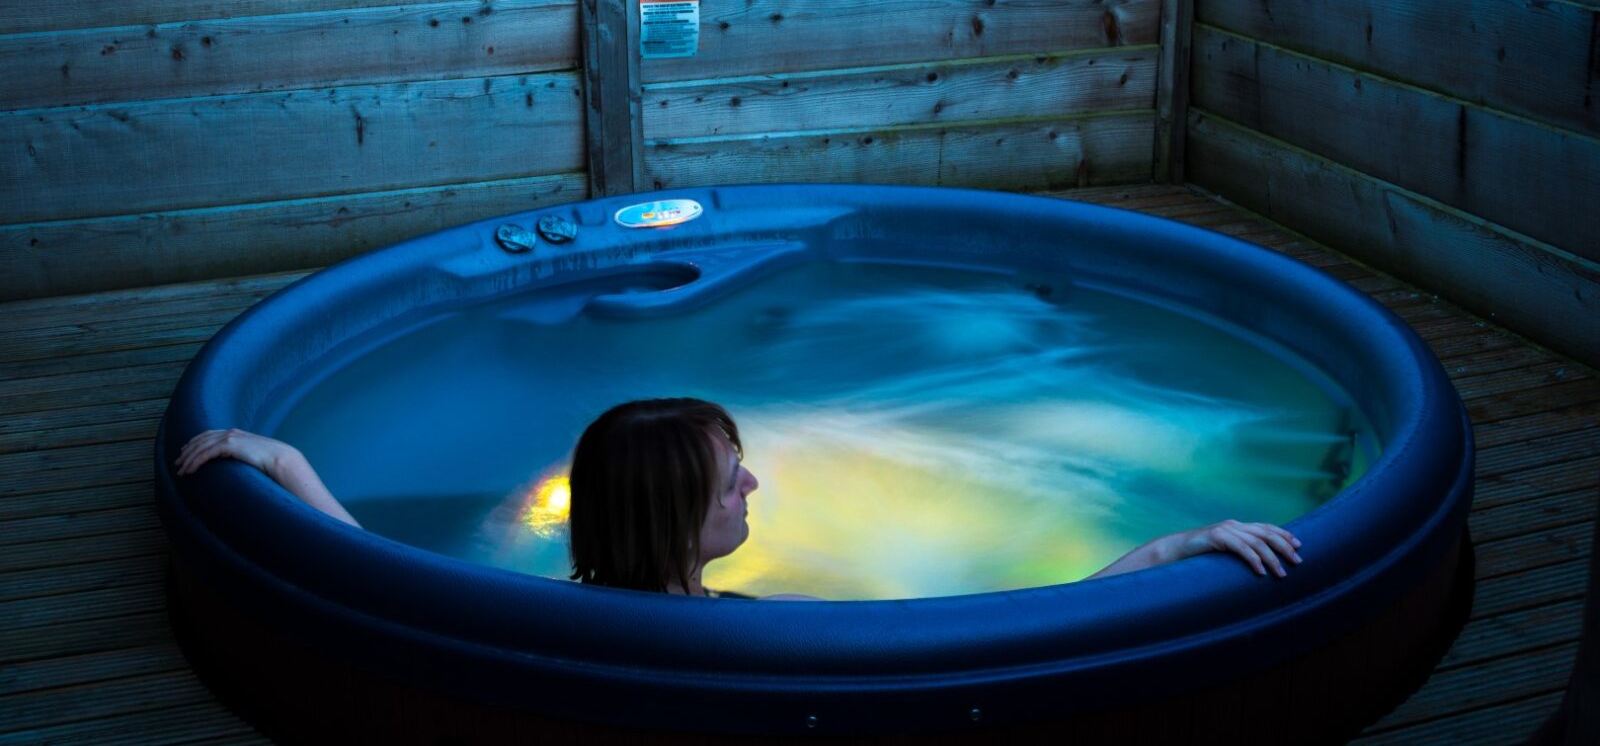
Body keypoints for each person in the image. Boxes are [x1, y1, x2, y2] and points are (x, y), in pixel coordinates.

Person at [175, 397, 1303, 597]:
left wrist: (275, 460)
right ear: (679, 519)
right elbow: (986, 631)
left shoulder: (526, 604)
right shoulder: (754, 639)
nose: (757, 482)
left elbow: (358, 557)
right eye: (731, 479)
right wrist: (1171, 551)